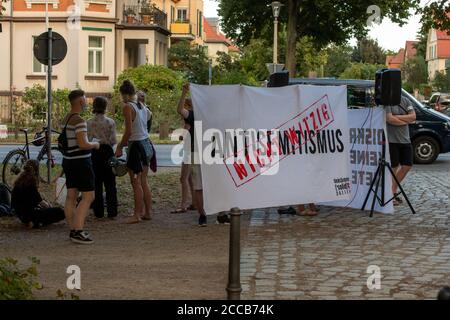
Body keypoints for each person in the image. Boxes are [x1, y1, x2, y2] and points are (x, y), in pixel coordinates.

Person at [176, 83, 229, 226]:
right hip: (200, 153)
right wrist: (184, 92)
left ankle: (216, 214)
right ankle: (205, 214)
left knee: (211, 185)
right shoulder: (195, 115)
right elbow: (180, 110)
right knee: (201, 185)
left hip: (210, 152)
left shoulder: (212, 115)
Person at [62, 89, 100, 244]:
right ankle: (78, 231)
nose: (86, 102)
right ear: (80, 101)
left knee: (71, 196)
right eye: (85, 99)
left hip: (68, 160)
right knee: (88, 196)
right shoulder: (79, 121)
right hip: (81, 162)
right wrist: (95, 144)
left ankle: (72, 229)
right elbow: (83, 144)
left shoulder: (66, 118)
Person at [115, 80, 153, 224]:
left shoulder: (127, 107)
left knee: (135, 182)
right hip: (146, 144)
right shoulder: (141, 105)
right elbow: (150, 116)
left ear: (123, 94)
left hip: (136, 146)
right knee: (143, 181)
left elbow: (128, 131)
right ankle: (148, 212)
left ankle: (137, 215)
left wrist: (119, 146)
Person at [87, 96, 118, 219]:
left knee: (97, 183)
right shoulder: (110, 122)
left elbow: (88, 140)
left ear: (94, 107)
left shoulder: (88, 122)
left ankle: (98, 212)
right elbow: (114, 140)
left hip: (95, 152)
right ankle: (112, 211)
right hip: (107, 152)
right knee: (110, 183)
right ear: (105, 107)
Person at [11, 160, 65, 228]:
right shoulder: (31, 182)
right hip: (29, 214)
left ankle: (34, 222)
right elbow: (41, 202)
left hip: (19, 214)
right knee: (59, 211)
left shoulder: (19, 180)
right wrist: (49, 206)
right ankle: (36, 223)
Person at [385, 95, 416, 205]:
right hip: (392, 140)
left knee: (407, 165)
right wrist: (405, 120)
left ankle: (393, 189)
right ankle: (390, 194)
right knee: (393, 167)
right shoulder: (388, 101)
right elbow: (389, 119)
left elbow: (413, 117)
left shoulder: (406, 100)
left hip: (405, 140)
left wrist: (396, 117)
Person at [171, 96, 196, 214]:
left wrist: (183, 92)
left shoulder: (191, 114)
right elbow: (187, 131)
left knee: (183, 178)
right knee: (190, 177)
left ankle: (183, 205)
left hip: (190, 150)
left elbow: (179, 109)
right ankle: (194, 202)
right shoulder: (198, 115)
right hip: (194, 149)